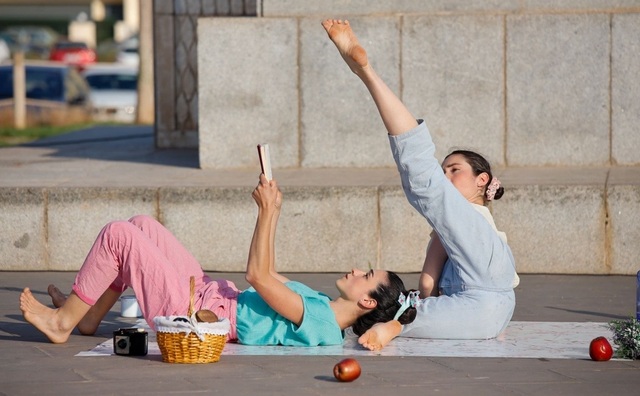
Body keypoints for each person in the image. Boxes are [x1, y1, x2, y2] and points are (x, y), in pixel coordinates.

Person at [20, 174, 417, 346]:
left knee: (118, 235)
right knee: (141, 224)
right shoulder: (320, 306)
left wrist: (263, 214)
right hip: (213, 293)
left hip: (195, 312)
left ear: (367, 301)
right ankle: (88, 316)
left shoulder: (320, 322)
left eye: (365, 275)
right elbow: (271, 273)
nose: (355, 270)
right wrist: (273, 211)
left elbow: (257, 275)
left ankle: (62, 322)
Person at [321, 19, 518, 350]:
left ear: (482, 181)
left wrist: (416, 304)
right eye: (445, 169)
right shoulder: (472, 225)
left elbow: (427, 282)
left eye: (455, 169)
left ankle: (367, 74)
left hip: (486, 298)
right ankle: (366, 74)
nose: (447, 175)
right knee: (424, 187)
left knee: (424, 186)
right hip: (491, 304)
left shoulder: (466, 223)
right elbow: (427, 289)